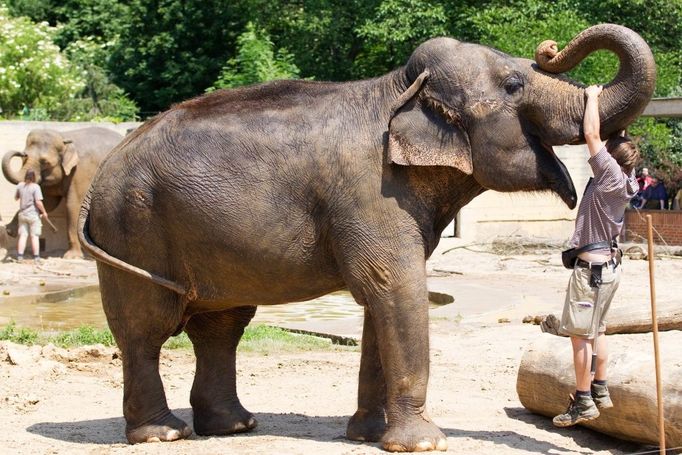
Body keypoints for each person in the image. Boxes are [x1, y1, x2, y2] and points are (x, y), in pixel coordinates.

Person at [541, 85, 639, 427]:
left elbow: (591, 132)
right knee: (598, 330)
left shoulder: (609, 174)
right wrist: (622, 122)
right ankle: (600, 387)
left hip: (592, 273)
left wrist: (593, 97)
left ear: (611, 156)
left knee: (580, 336)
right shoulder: (627, 178)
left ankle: (582, 401)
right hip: (610, 270)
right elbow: (613, 138)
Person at [14, 169, 49, 262]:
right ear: (34, 177)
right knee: (34, 236)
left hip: (22, 214)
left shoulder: (20, 185)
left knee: (23, 235)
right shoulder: (35, 187)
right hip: (33, 215)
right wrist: (44, 212)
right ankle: (36, 257)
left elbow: (16, 198)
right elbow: (38, 202)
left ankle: (20, 256)